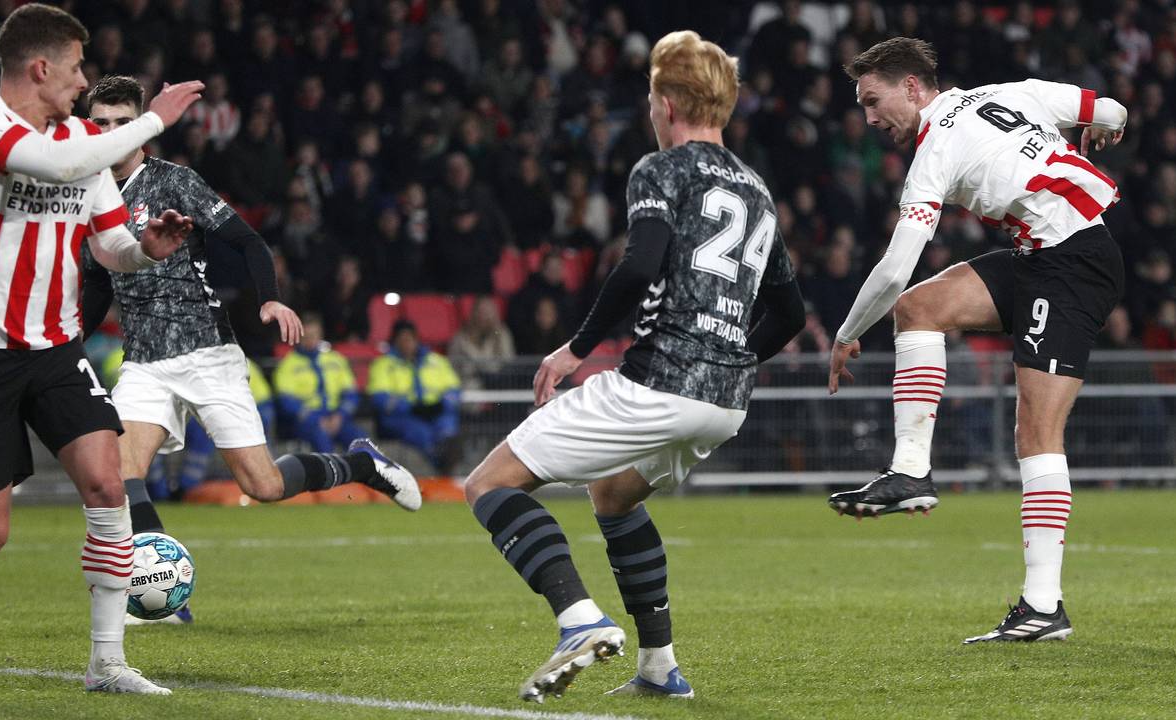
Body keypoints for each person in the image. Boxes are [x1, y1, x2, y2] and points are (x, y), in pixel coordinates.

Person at [461, 31, 805, 703]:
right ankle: (658, 668)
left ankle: (577, 620)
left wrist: (576, 349)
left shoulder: (661, 169)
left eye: (651, 96)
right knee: (615, 496)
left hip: (661, 379)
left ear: (670, 103)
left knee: (488, 483)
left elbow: (639, 264)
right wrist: (729, 362)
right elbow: (789, 313)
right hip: (725, 400)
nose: (649, 109)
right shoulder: (758, 189)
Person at [81, 76, 421, 625]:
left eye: (123, 122)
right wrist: (70, 343)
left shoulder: (174, 182)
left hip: (206, 353)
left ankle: (359, 463)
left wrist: (269, 301)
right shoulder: (89, 194)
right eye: (101, 124)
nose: (112, 133)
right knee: (119, 476)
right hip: (144, 360)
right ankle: (166, 597)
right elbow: (99, 283)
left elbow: (247, 240)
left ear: (142, 128)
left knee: (261, 485)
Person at [825, 38, 1127, 643]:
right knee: (919, 309)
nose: (869, 117)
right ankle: (911, 470)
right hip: (1041, 254)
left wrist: (846, 333)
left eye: (873, 100)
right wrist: (1103, 131)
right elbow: (1112, 110)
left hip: (1073, 263)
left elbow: (893, 266)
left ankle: (1044, 605)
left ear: (913, 88)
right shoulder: (1011, 93)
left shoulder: (936, 146)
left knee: (1036, 432)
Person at [0, 3, 205, 695]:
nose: (81, 81)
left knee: (105, 482)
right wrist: (154, 119)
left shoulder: (80, 143)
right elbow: (54, 162)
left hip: (57, 349)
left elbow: (110, 247)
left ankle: (107, 662)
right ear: (40, 67)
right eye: (74, 68)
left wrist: (146, 250)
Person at [368, 320, 462, 471]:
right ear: (395, 341)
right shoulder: (384, 364)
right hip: (400, 416)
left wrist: (440, 405)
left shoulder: (437, 361)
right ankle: (443, 468)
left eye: (410, 339)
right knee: (421, 433)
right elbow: (380, 399)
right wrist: (410, 407)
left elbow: (454, 390)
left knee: (447, 427)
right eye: (402, 340)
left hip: (434, 412)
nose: (407, 344)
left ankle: (445, 462)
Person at [273, 312, 371, 454]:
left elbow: (351, 393)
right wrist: (316, 419)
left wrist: (340, 415)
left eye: (314, 336)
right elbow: (286, 402)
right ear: (298, 337)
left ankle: (363, 475)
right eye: (306, 337)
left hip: (336, 415)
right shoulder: (288, 365)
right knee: (323, 441)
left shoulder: (336, 359)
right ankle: (333, 476)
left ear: (320, 335)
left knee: (362, 442)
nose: (310, 340)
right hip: (307, 421)